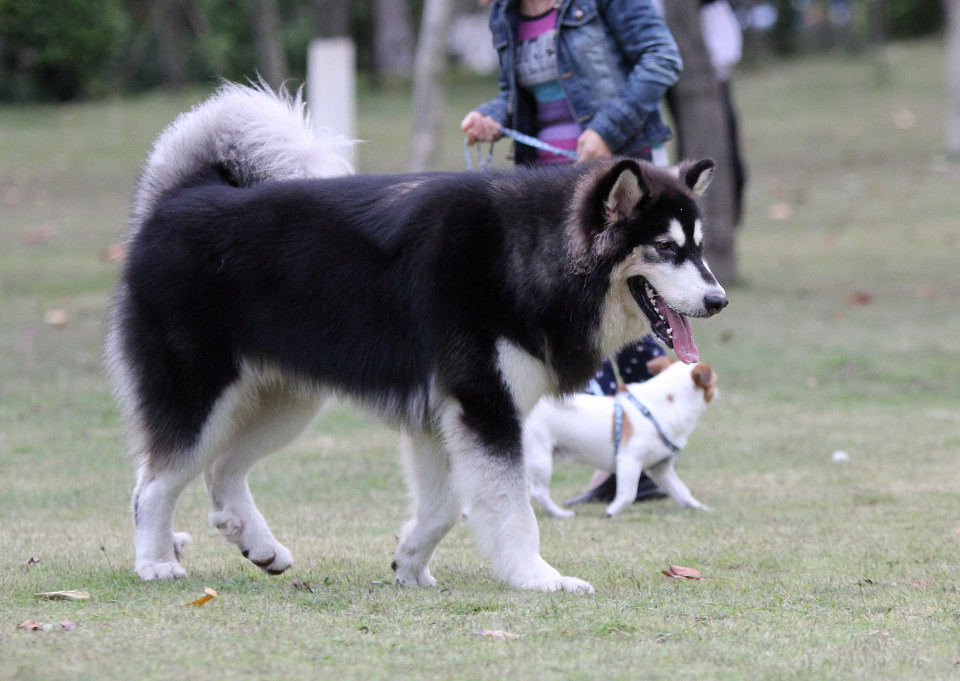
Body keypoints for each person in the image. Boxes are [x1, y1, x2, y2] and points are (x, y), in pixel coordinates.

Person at [462, 0, 684, 506]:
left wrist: (607, 127)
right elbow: (522, 96)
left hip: (625, 185)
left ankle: (643, 449)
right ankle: (629, 459)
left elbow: (662, 57)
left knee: (622, 308)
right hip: (552, 193)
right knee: (587, 314)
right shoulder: (507, 13)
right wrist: (493, 116)